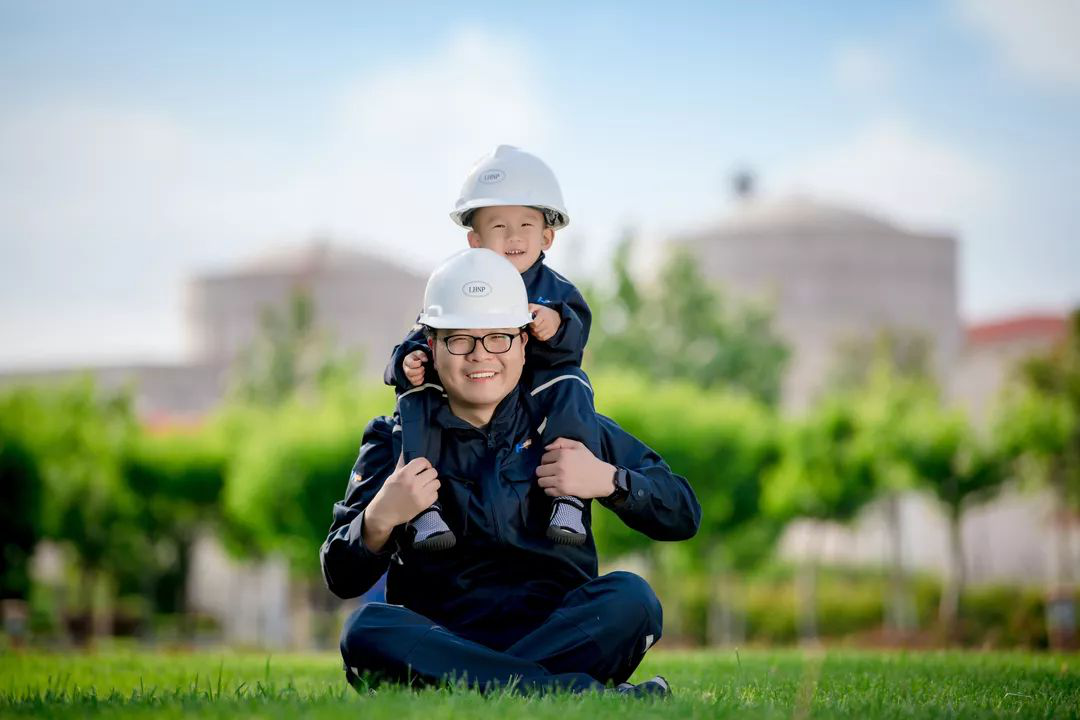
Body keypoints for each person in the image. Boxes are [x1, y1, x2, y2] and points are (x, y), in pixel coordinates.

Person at [322, 249, 701, 695]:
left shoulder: (573, 428)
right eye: (460, 339)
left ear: (524, 343)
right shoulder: (392, 439)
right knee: (366, 630)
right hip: (439, 639)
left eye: (498, 337)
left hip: (560, 633)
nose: (481, 356)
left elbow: (682, 512)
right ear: (431, 345)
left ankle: (483, 685)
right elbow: (341, 577)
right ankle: (570, 693)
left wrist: (609, 481)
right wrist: (380, 517)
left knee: (632, 600)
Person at [385, 145, 598, 550]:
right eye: (498, 227)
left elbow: (576, 341)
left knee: (573, 383)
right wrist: (405, 364)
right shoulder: (454, 284)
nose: (513, 237)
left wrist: (557, 327)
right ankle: (424, 510)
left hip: (532, 404)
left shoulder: (558, 292)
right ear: (475, 239)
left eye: (525, 225)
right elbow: (422, 333)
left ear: (547, 236)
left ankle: (569, 499)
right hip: (467, 406)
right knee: (417, 395)